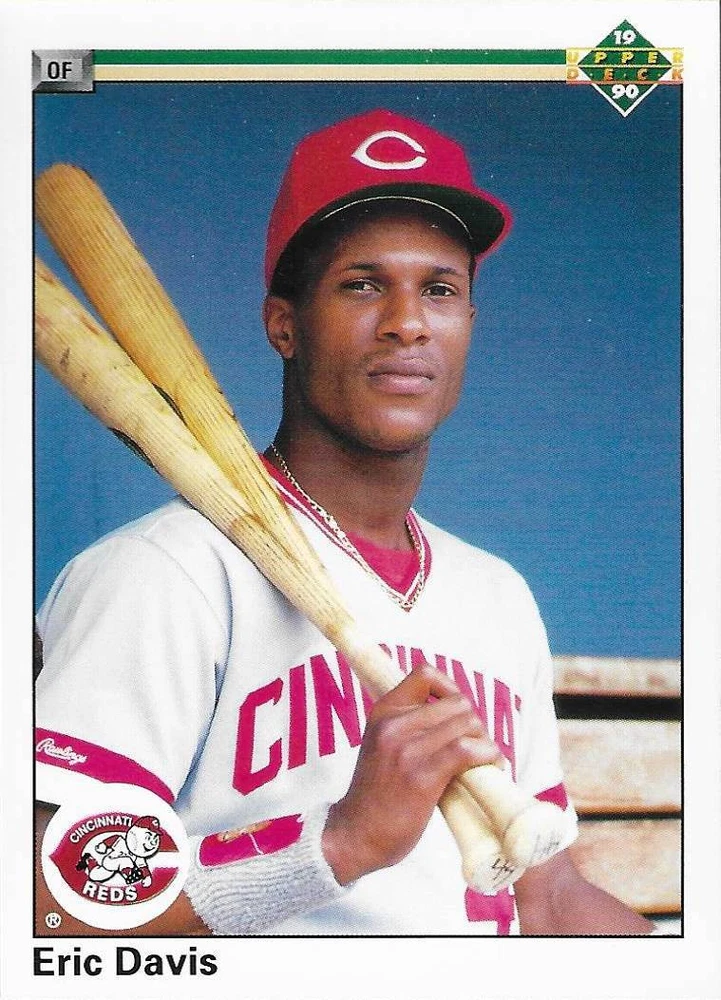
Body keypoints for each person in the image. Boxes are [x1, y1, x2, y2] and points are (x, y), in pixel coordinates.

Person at [35, 108, 652, 936]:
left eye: (439, 289)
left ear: (468, 325)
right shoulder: (167, 573)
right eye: (362, 284)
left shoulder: (495, 594)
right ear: (283, 325)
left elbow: (546, 895)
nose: (407, 321)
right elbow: (49, 907)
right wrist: (341, 841)